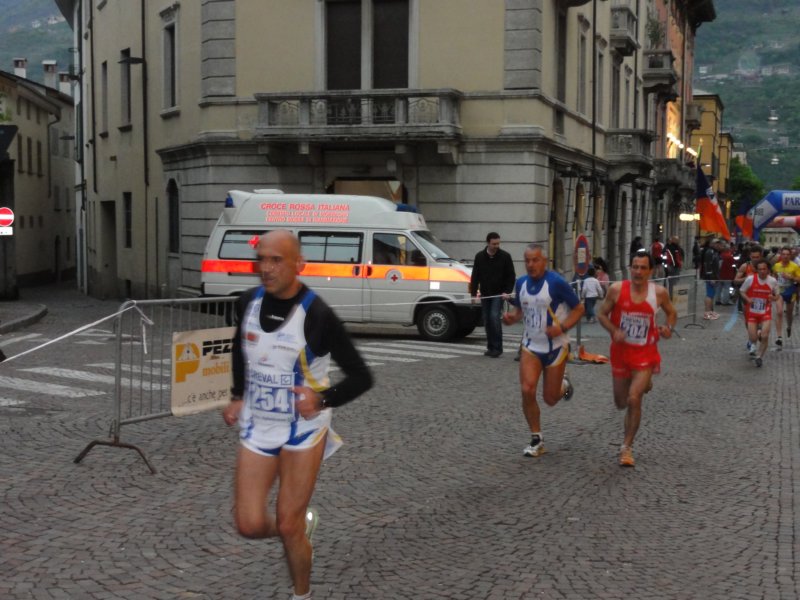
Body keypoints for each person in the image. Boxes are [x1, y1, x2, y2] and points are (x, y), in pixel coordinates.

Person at [222, 230, 373, 600]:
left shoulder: (317, 315)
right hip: (259, 424)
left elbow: (361, 376)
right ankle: (299, 528)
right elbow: (240, 349)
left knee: (287, 524)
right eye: (262, 259)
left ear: (299, 264)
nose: (266, 268)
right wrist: (238, 395)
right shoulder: (246, 302)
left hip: (302, 429)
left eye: (276, 260)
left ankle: (301, 594)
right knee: (249, 523)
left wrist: (321, 400)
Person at [596, 250, 677, 467]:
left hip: (645, 352)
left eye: (643, 268)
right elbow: (601, 314)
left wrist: (668, 328)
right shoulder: (616, 290)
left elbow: (672, 313)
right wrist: (614, 330)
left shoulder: (659, 293)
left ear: (651, 271)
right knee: (621, 402)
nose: (638, 272)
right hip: (621, 352)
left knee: (634, 398)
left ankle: (626, 447)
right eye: (635, 267)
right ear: (630, 268)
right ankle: (645, 383)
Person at [502, 244, 585, 457]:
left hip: (556, 346)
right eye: (527, 261)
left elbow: (579, 308)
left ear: (544, 261)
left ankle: (564, 385)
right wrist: (511, 318)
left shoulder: (556, 283)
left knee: (550, 398)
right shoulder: (521, 283)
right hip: (531, 346)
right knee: (527, 389)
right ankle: (536, 438)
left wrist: (562, 327)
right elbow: (520, 310)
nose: (531, 265)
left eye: (535, 260)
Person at [470, 232, 516, 358]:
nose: (496, 246)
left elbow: (511, 276)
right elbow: (475, 276)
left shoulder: (505, 256)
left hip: (498, 293)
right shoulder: (479, 257)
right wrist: (473, 294)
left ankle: (497, 348)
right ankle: (490, 346)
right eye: (494, 244)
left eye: (498, 243)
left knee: (494, 317)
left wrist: (507, 291)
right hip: (485, 293)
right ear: (488, 243)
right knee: (486, 319)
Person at [739, 259, 779, 368]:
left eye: (764, 269)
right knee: (753, 338)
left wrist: (773, 297)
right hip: (752, 313)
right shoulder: (750, 279)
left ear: (768, 270)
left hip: (765, 312)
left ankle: (759, 357)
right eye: (760, 269)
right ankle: (758, 333)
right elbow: (742, 291)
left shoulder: (772, 281)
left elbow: (777, 296)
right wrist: (748, 299)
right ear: (757, 270)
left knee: (765, 336)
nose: (762, 271)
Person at [771, 246, 800, 345]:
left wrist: (790, 277)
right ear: (781, 255)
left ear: (790, 255)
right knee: (779, 312)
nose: (785, 256)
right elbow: (774, 277)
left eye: (787, 254)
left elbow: (799, 279)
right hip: (780, 292)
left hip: (791, 292)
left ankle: (789, 326)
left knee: (789, 313)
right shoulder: (776, 265)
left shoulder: (795, 266)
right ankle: (779, 337)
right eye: (783, 254)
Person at [700, 237, 721, 320]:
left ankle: (711, 311)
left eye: (718, 244)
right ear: (712, 244)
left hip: (714, 276)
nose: (718, 245)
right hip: (710, 277)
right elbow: (708, 266)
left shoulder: (715, 252)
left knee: (712, 294)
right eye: (716, 243)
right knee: (709, 294)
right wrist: (711, 277)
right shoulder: (710, 252)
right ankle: (707, 312)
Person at [716, 242, 736, 306]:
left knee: (719, 288)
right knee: (726, 288)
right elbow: (733, 264)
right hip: (728, 274)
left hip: (720, 274)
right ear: (728, 249)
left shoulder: (720, 255)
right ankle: (725, 301)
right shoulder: (730, 256)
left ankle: (717, 300)